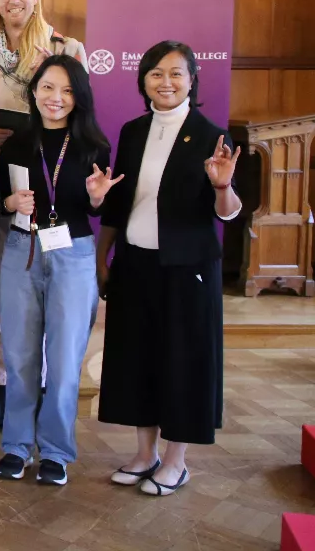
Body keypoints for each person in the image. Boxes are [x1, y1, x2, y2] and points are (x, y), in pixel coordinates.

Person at [97, 41, 241, 497]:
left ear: (192, 80)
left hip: (187, 270)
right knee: (140, 358)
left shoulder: (212, 136)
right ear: (143, 80)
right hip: (136, 263)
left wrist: (222, 186)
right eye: (157, 73)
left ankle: (176, 461)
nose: (166, 82)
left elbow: (228, 212)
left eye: (177, 74)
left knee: (182, 362)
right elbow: (119, 202)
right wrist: (105, 254)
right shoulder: (133, 130)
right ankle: (145, 454)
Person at [0, 0, 88, 436]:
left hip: (55, 190)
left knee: (53, 300)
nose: (13, 1)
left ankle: (43, 394)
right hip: (4, 189)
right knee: (3, 297)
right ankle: (5, 390)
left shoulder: (66, 49)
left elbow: (84, 116)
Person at [0, 55, 120, 485]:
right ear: (34, 91)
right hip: (20, 251)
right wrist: (10, 204)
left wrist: (99, 198)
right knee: (20, 356)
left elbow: (95, 208)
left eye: (67, 90)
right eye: (48, 87)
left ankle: (55, 452)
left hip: (74, 255)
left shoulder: (93, 146)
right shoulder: (15, 144)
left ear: (78, 97)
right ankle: (15, 446)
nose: (56, 98)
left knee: (64, 361)